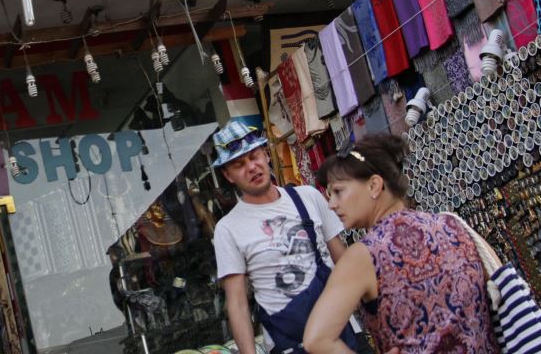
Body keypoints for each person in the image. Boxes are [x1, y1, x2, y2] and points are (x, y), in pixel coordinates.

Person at [303, 134, 499, 353]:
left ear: (374, 185)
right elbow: (498, 283)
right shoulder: (453, 225)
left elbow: (316, 339)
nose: (331, 205)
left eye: (338, 191)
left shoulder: (363, 256)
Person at [211, 120, 362, 354]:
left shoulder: (308, 196)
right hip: (288, 345)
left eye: (254, 156)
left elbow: (342, 260)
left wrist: (371, 313)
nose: (251, 167)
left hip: (341, 330)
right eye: (239, 164)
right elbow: (238, 303)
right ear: (228, 175)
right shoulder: (228, 228)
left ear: (266, 155)